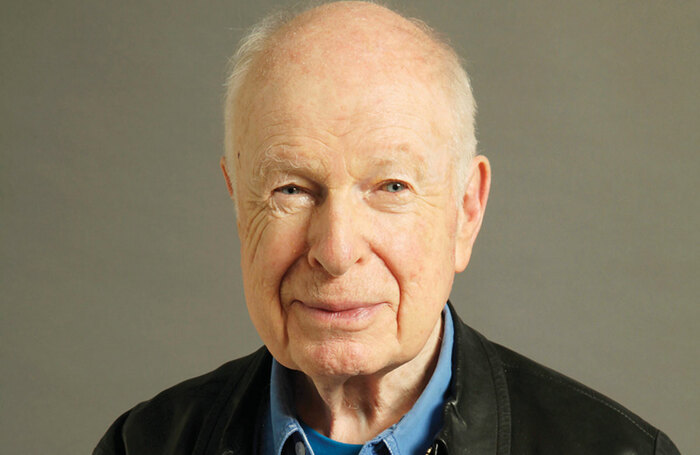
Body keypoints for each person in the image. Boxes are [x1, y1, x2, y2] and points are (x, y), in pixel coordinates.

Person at [94, 2, 680, 454]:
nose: (337, 250)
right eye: (291, 190)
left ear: (466, 211)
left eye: (391, 187)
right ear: (238, 204)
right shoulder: (141, 445)